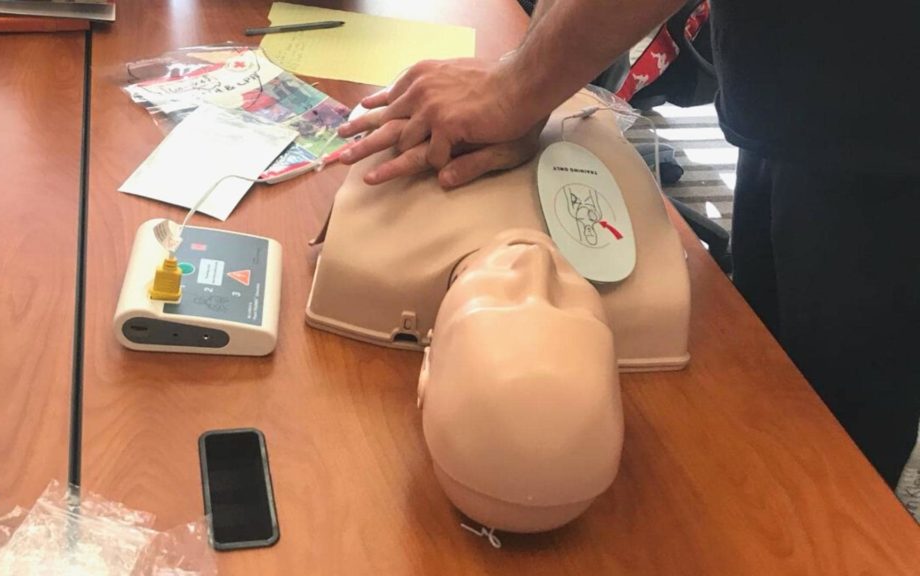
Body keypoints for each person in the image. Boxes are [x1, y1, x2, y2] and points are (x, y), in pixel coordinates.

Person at [337, 0, 920, 489]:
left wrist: (517, 89)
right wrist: (520, 77)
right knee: (767, 399)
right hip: (801, 104)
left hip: (887, 137)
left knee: (833, 464)